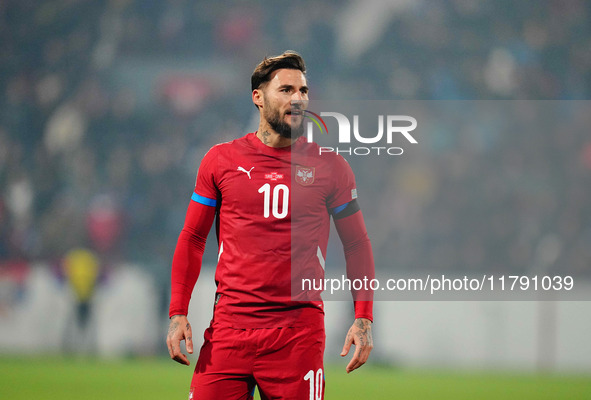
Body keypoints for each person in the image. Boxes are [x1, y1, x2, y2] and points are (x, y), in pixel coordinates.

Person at [166, 50, 375, 400]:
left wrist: (363, 317)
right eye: (287, 90)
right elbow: (193, 237)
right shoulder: (220, 160)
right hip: (228, 332)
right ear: (258, 98)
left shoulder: (330, 167)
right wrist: (177, 313)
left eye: (303, 91)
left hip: (297, 336)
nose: (298, 99)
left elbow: (357, 244)